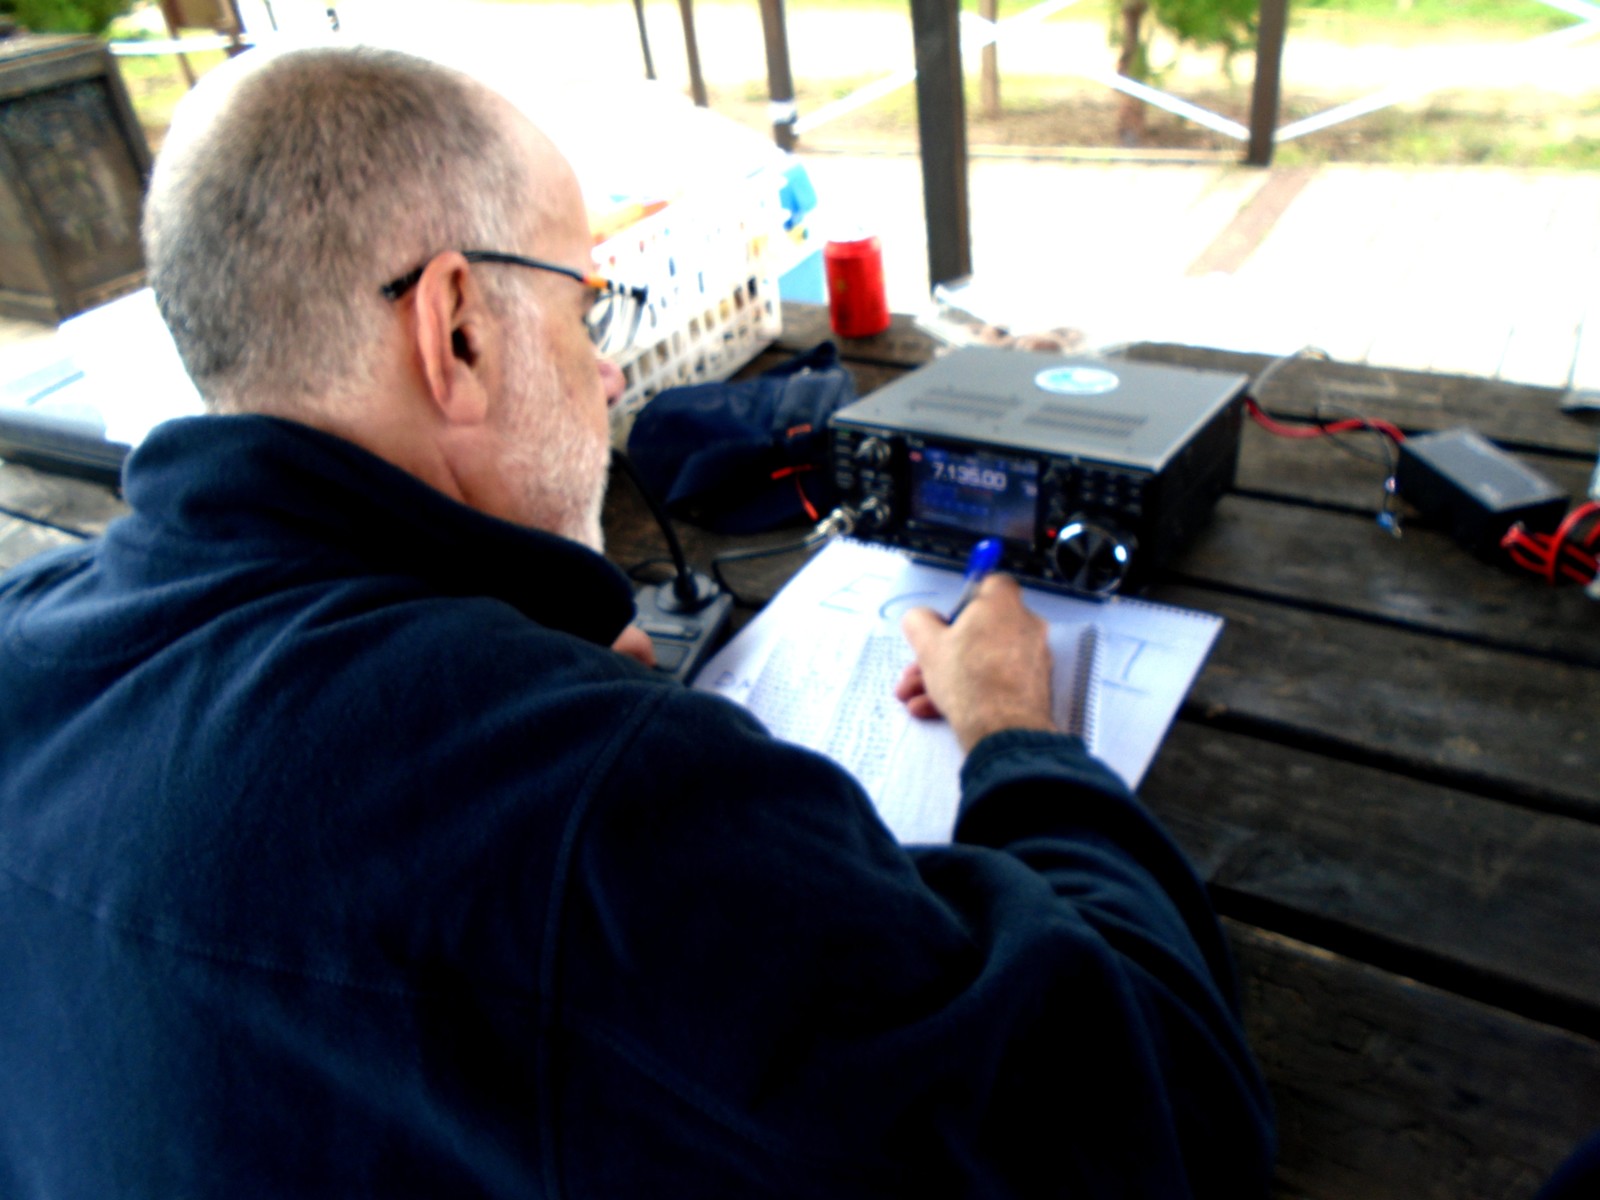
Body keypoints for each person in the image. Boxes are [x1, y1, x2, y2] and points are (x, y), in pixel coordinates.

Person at [0, 45, 1274, 1197]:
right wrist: (1018, 742)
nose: (608, 370)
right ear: (457, 330)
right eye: (584, 307)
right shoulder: (594, 800)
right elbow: (1163, 1118)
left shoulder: (21, 639)